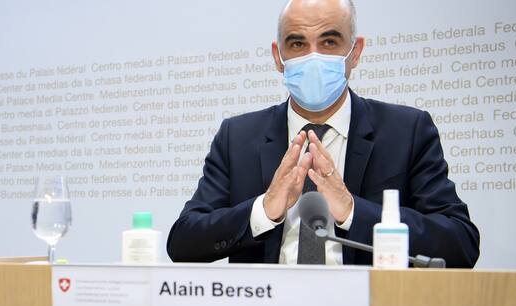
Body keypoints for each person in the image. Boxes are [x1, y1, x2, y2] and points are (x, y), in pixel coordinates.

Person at [166, 0, 480, 267]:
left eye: (329, 42)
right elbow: (183, 242)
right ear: (279, 57)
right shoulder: (237, 136)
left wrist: (352, 210)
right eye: (298, 44)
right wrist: (264, 210)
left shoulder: (406, 131)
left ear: (355, 52)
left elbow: (460, 244)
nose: (313, 56)